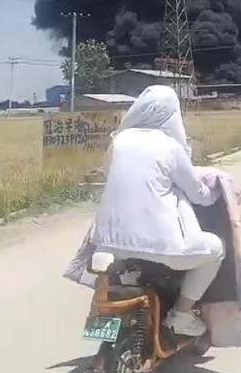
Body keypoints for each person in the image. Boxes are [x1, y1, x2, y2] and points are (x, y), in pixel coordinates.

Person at [91, 85, 223, 338]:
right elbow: (198, 195)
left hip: (107, 244)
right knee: (217, 249)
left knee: (104, 284)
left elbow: (111, 176)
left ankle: (100, 334)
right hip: (163, 246)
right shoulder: (171, 148)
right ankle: (181, 315)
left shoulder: (119, 141)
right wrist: (218, 193)